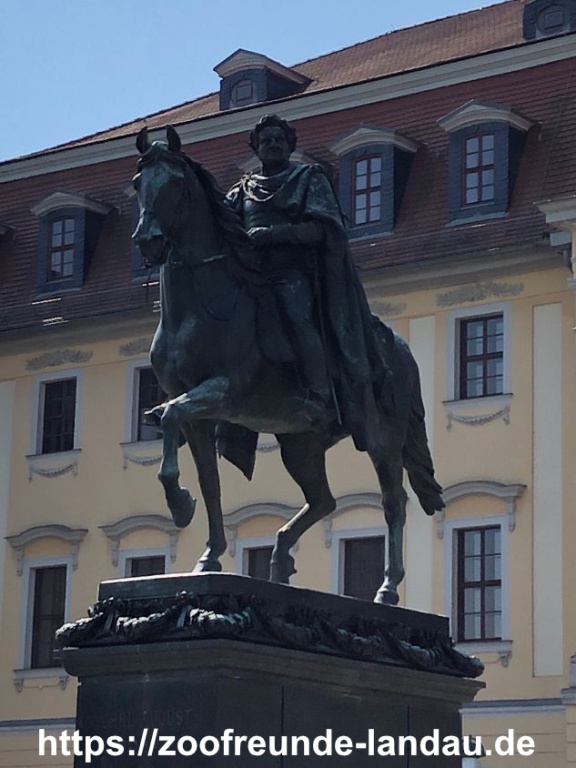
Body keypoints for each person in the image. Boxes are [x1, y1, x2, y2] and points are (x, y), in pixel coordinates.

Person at [226, 114, 391, 451]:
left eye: (278, 139)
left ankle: (319, 393)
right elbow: (219, 229)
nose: (272, 144)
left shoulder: (307, 178)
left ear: (290, 146)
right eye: (266, 140)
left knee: (297, 315)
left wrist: (274, 235)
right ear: (256, 147)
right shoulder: (241, 190)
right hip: (250, 277)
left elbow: (326, 229)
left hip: (293, 273)